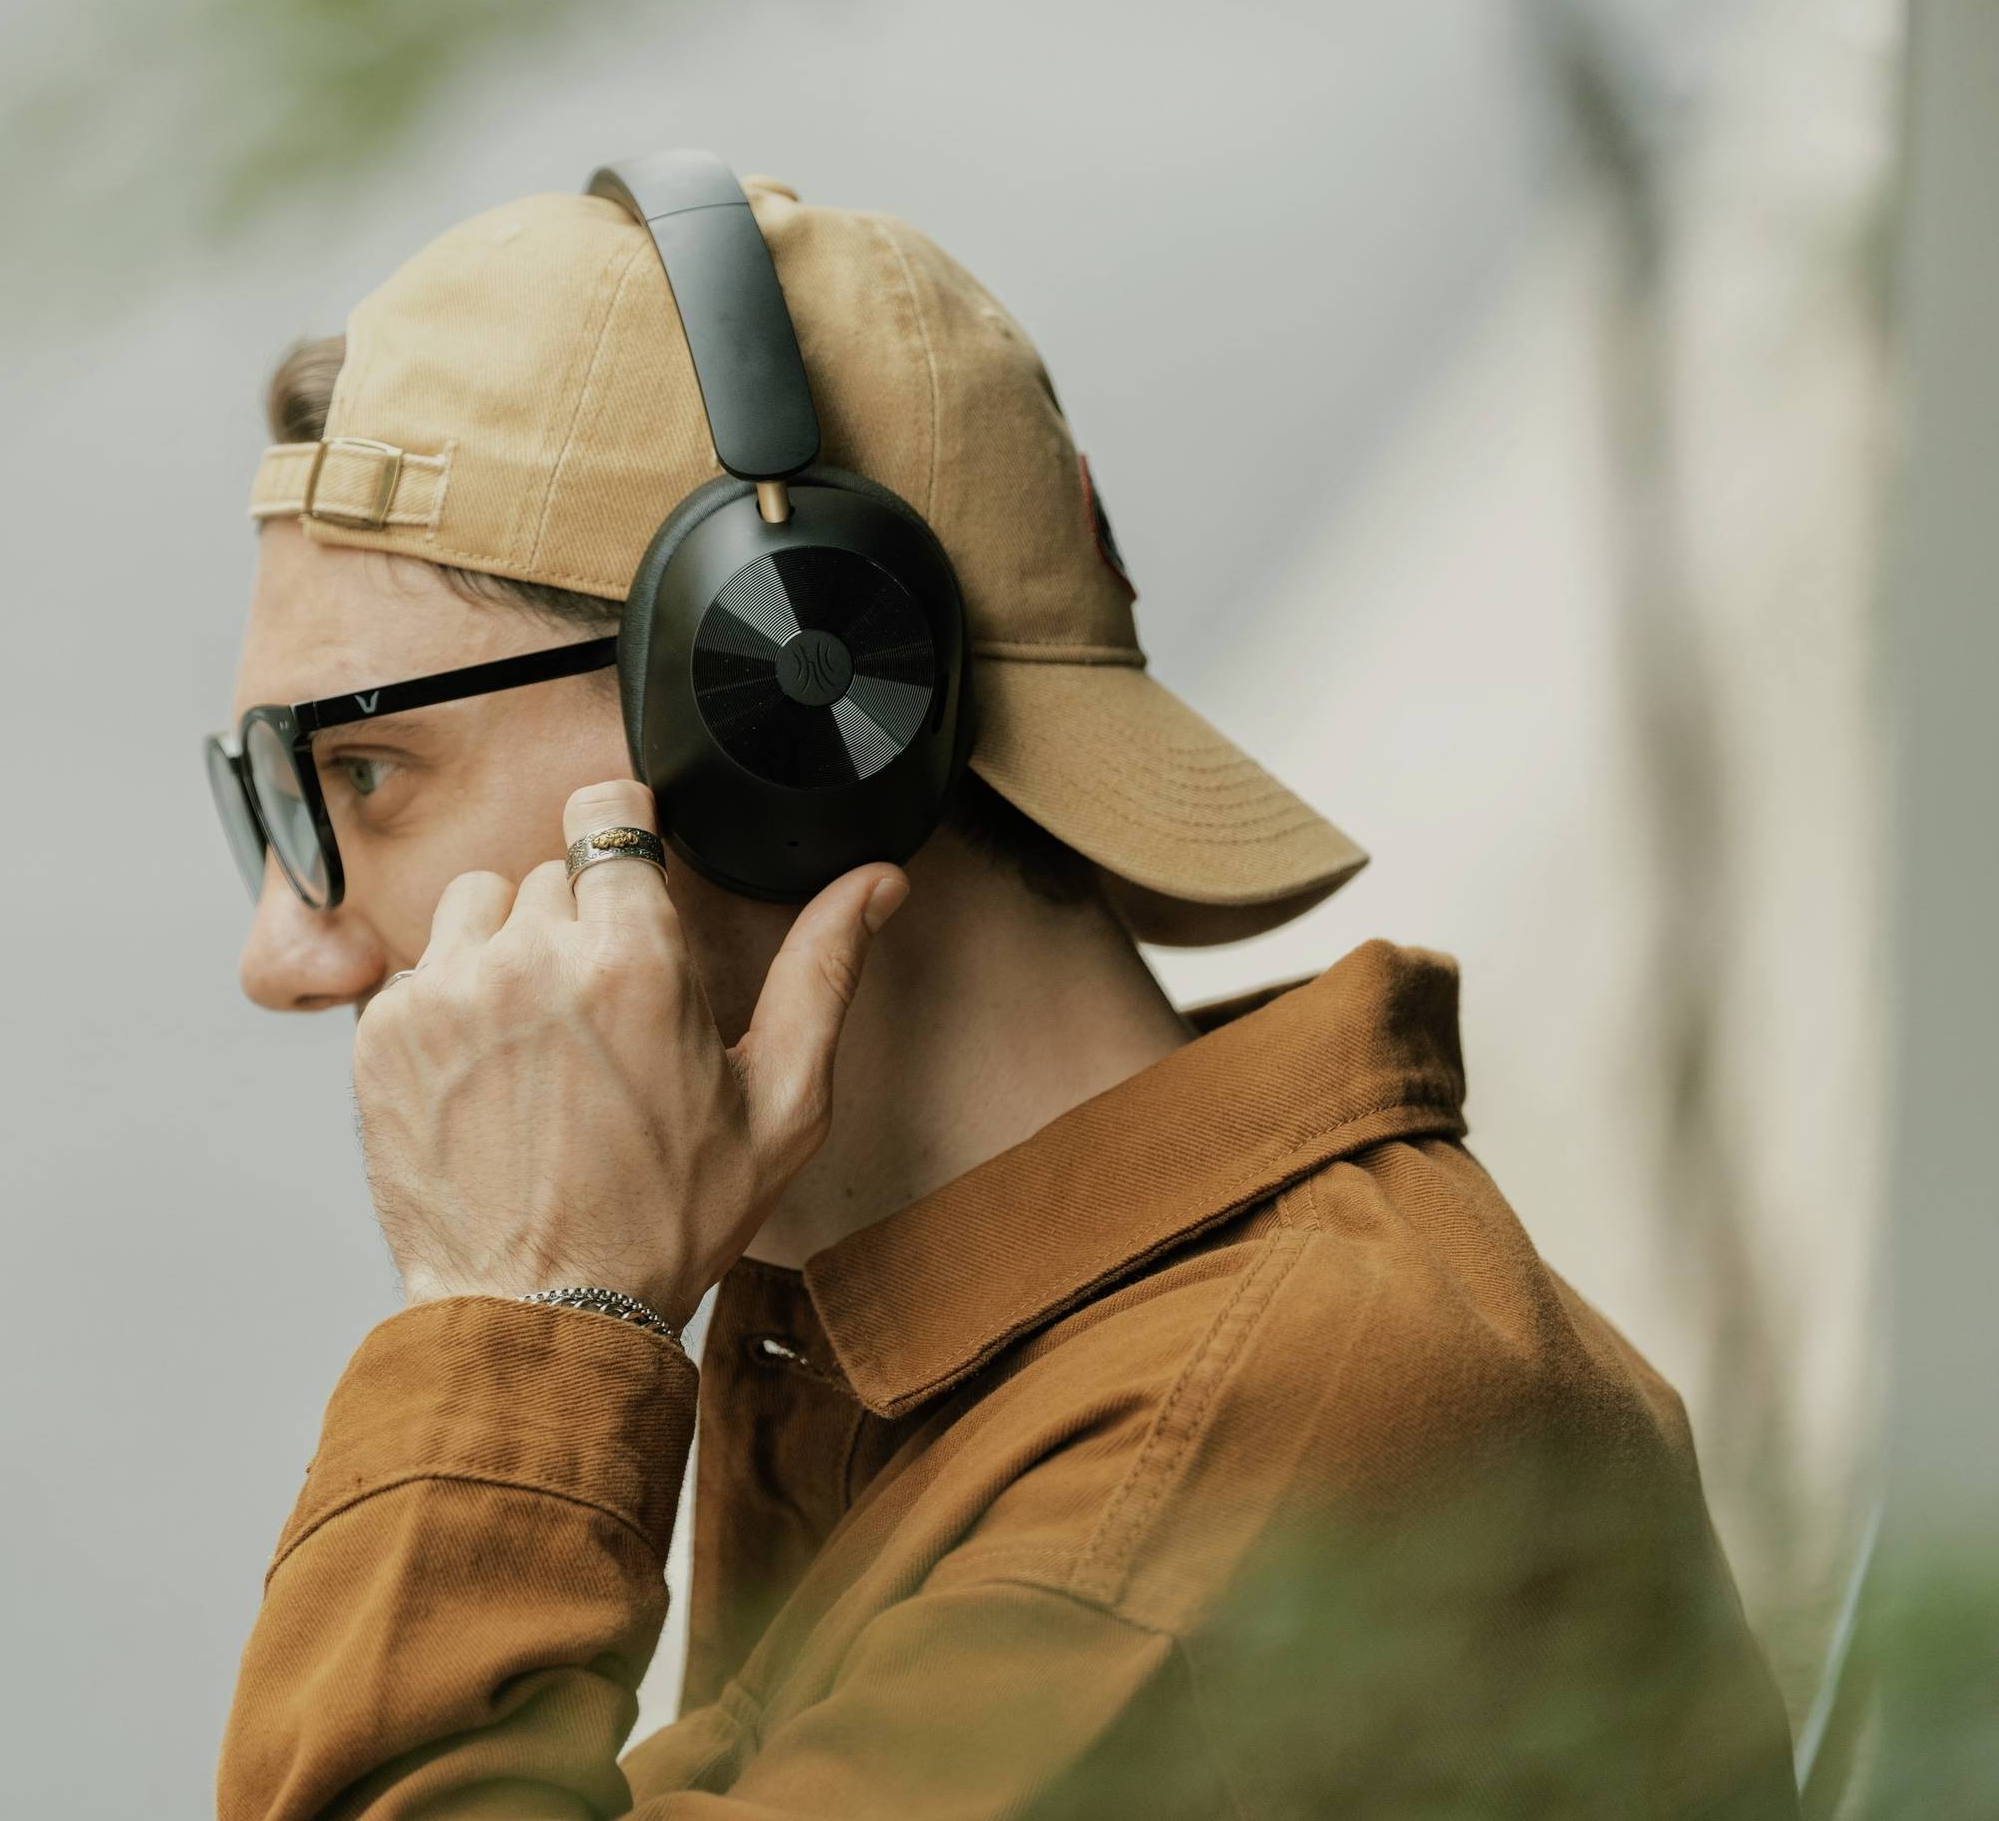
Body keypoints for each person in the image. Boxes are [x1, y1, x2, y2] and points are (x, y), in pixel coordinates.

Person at [201, 165, 1798, 1817]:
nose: (285, 953)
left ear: (778, 708)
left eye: (361, 774)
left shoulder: (1201, 1483)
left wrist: (528, 1317)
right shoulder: (943, 1347)